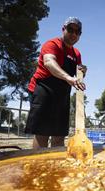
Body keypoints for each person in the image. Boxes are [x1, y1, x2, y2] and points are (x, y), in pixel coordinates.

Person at [25, 17, 87, 149]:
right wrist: (68, 78)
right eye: (70, 30)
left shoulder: (76, 53)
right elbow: (49, 62)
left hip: (62, 95)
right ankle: (37, 165)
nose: (74, 34)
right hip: (43, 90)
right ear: (63, 29)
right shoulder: (52, 44)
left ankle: (56, 165)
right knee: (42, 133)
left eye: (77, 32)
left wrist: (83, 71)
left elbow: (78, 74)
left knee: (59, 135)